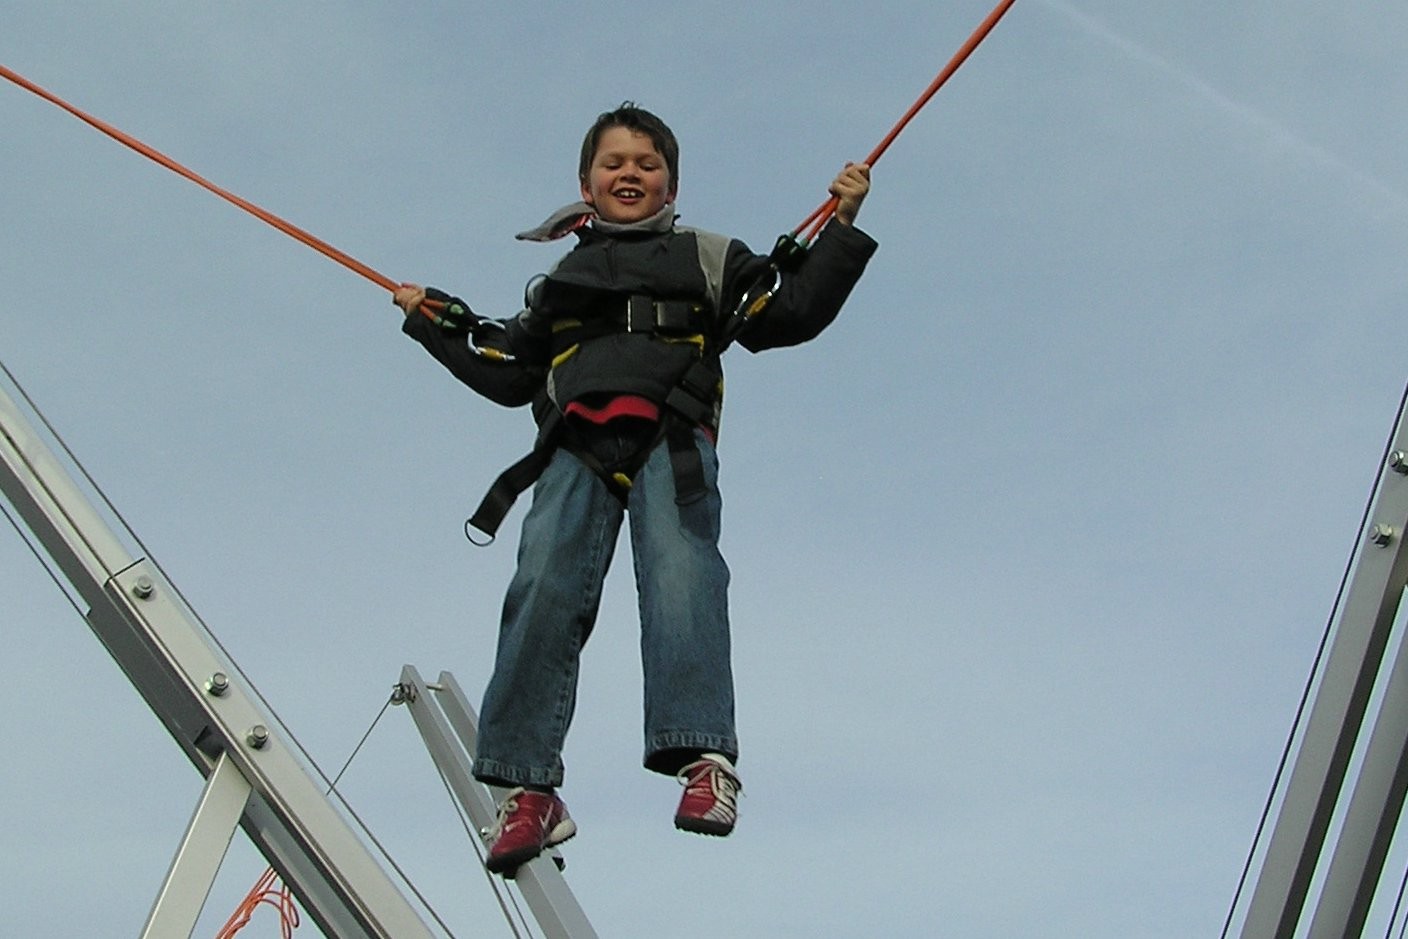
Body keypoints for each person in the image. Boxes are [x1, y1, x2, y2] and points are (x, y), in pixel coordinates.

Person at [394, 103, 875, 876]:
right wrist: (434, 320)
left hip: (670, 438)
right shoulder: (560, 284)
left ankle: (703, 756)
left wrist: (841, 227)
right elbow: (509, 369)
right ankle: (526, 786)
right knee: (542, 583)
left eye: (646, 164)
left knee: (682, 573)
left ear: (670, 186)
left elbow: (785, 312)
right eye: (613, 163)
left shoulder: (708, 255)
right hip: (575, 446)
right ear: (586, 184)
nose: (630, 173)